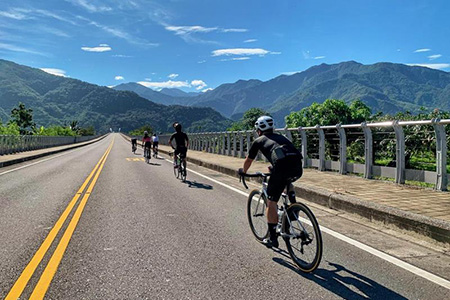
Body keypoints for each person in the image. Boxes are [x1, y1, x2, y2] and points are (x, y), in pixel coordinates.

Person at [239, 116, 303, 248]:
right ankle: (293, 206)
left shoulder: (259, 140)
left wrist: (243, 172)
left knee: (272, 201)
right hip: (297, 167)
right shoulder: (282, 137)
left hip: (281, 169)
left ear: (258, 129)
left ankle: (273, 238)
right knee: (287, 179)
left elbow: (249, 160)